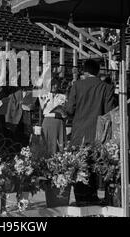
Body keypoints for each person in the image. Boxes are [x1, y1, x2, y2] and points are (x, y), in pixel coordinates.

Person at [65, 59, 115, 204]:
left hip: (79, 132)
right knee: (94, 166)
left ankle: (80, 197)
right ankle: (93, 197)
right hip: (97, 134)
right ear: (98, 71)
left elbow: (69, 110)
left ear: (84, 71)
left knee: (79, 166)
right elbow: (109, 113)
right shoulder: (107, 87)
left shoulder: (76, 85)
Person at [39, 79, 67, 157]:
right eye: (52, 84)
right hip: (47, 121)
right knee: (46, 143)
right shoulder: (44, 95)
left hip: (59, 121)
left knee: (59, 144)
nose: (54, 86)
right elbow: (42, 107)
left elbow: (65, 110)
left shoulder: (63, 96)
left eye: (56, 84)